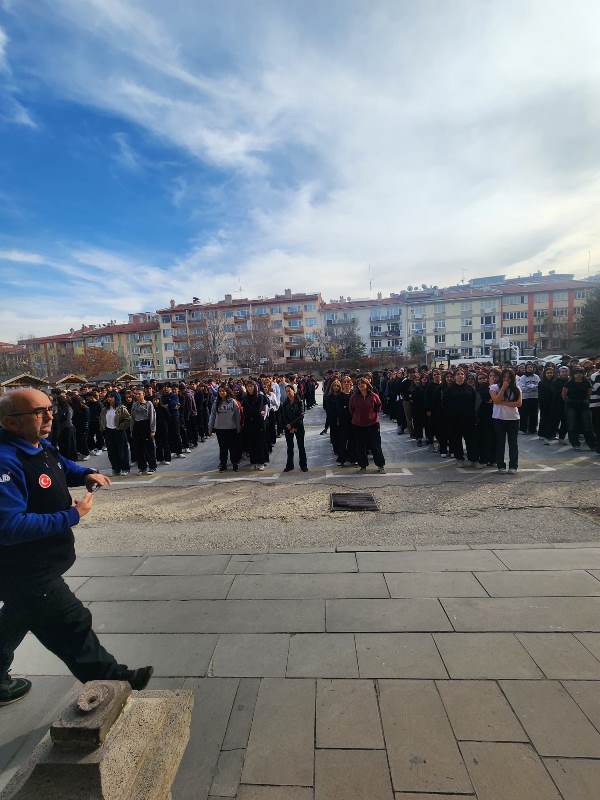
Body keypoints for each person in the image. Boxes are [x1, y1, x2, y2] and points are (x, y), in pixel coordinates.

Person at [0, 389, 153, 706]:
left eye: (50, 408)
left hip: (39, 564)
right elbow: (9, 527)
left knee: (14, 620)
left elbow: (60, 465)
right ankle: (116, 680)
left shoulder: (39, 445)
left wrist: (85, 472)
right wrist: (72, 515)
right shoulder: (6, 461)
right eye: (39, 412)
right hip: (26, 569)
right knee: (72, 624)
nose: (49, 415)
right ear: (11, 423)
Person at [349, 377, 386, 473]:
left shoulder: (374, 396)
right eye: (359, 384)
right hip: (358, 425)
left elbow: (378, 407)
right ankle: (363, 466)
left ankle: (380, 465)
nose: (361, 385)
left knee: (376, 446)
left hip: (373, 425)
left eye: (363, 383)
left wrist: (372, 416)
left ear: (367, 384)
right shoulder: (354, 397)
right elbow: (351, 409)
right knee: (360, 447)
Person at [490, 368, 522, 474]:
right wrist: (503, 388)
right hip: (499, 418)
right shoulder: (494, 387)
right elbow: (496, 400)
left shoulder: (517, 388)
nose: (506, 379)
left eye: (509, 377)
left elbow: (518, 403)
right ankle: (501, 465)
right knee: (500, 442)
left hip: (513, 419)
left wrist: (503, 403)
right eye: (504, 376)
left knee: (513, 443)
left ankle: (513, 466)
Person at [444, 369, 478, 466]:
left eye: (462, 374)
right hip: (455, 419)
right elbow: (445, 404)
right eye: (458, 374)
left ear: (464, 376)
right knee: (456, 440)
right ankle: (459, 458)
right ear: (454, 377)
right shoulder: (450, 389)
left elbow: (474, 403)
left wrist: (474, 417)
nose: (460, 375)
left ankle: (473, 459)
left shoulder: (470, 388)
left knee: (471, 440)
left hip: (468, 419)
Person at [208, 385, 241, 471]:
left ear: (227, 392)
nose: (221, 392)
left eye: (223, 391)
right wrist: (210, 428)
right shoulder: (216, 402)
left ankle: (235, 464)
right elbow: (212, 416)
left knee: (233, 448)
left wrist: (238, 428)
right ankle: (223, 464)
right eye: (220, 391)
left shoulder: (233, 402)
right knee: (223, 448)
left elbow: (237, 416)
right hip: (220, 429)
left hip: (231, 429)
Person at [562, 367, 596, 450]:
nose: (578, 375)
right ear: (573, 374)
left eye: (580, 373)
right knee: (572, 424)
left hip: (584, 405)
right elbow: (564, 395)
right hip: (571, 406)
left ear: (583, 374)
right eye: (576, 373)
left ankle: (591, 444)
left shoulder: (587, 382)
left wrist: (586, 401)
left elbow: (589, 393)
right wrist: (569, 402)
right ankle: (575, 443)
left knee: (587, 425)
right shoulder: (569, 383)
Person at [99, 391, 131, 475]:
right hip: (108, 432)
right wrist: (103, 429)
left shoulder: (121, 408)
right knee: (111, 452)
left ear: (116, 398)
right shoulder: (104, 409)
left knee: (122, 451)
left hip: (119, 431)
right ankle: (116, 468)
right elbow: (101, 420)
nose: (109, 399)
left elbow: (128, 419)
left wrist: (121, 426)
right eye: (108, 397)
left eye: (111, 397)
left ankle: (125, 468)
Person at [241, 381, 268, 470]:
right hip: (249, 423)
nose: (250, 388)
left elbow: (264, 408)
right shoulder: (245, 398)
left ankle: (261, 462)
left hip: (259, 423)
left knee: (260, 443)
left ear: (255, 387)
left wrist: (262, 414)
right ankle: (254, 461)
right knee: (251, 443)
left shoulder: (260, 397)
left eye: (251, 386)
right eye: (248, 386)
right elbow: (244, 410)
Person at [281, 385, 308, 472]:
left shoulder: (300, 401)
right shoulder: (285, 403)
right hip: (288, 428)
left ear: (294, 391)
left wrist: (293, 426)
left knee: (301, 447)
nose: (288, 393)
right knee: (290, 447)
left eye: (289, 391)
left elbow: (301, 415)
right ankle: (290, 465)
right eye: (286, 391)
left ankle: (303, 465)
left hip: (298, 427)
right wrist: (288, 426)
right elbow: (283, 416)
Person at [130, 389, 157, 475]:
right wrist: (131, 430)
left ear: (143, 394)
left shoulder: (149, 404)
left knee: (149, 448)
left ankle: (152, 467)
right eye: (136, 394)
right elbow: (132, 418)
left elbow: (152, 417)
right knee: (139, 448)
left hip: (146, 426)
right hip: (137, 426)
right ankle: (142, 467)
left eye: (139, 394)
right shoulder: (134, 404)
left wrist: (152, 430)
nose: (137, 395)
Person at [517, 362, 540, 435]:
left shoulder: (536, 376)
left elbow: (539, 385)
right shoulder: (523, 377)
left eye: (531, 367)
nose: (530, 369)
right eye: (528, 367)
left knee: (534, 414)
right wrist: (530, 387)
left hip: (534, 397)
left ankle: (533, 429)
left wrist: (533, 387)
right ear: (526, 369)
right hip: (525, 398)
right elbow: (521, 388)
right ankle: (523, 429)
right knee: (524, 414)